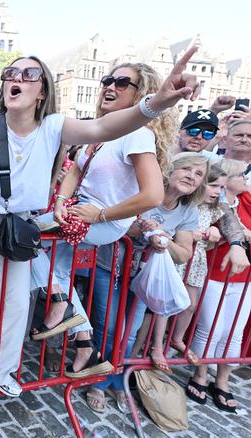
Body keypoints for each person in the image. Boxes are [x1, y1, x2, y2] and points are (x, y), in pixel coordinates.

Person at [0, 48, 200, 418]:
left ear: (42, 91)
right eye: (11, 73)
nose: (15, 78)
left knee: (16, 305)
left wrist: (158, 102)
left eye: (28, 74)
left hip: (20, 226)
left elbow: (104, 127)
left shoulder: (55, 126)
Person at [30, 62, 174, 380]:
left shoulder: (136, 134)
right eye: (108, 80)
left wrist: (101, 214)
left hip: (103, 220)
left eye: (123, 83)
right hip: (80, 211)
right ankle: (86, 345)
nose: (110, 86)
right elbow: (77, 170)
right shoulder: (103, 129)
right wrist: (60, 201)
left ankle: (60, 305)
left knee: (24, 238)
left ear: (144, 94)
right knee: (59, 272)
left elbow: (152, 195)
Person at [87, 153, 208, 412]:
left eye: (198, 174)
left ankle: (116, 379)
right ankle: (99, 379)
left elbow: (184, 254)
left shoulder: (188, 210)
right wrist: (139, 229)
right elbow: (114, 222)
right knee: (108, 328)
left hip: (144, 279)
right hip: (111, 267)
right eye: (186, 169)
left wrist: (163, 237)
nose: (191, 176)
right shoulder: (143, 187)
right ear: (169, 169)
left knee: (130, 332)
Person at [188, 158, 251, 413]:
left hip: (245, 278)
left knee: (234, 332)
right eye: (242, 175)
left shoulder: (246, 201)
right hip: (213, 273)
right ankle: (200, 375)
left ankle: (222, 381)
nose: (246, 178)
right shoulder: (212, 203)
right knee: (210, 328)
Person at [170, 163, 227, 363]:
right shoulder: (186, 205)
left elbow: (226, 228)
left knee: (190, 304)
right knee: (165, 302)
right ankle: (156, 342)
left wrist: (215, 233)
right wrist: (186, 234)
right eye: (214, 186)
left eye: (221, 188)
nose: (218, 192)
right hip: (178, 258)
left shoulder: (213, 210)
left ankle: (176, 338)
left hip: (197, 260)